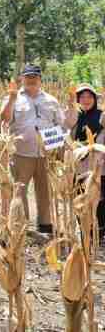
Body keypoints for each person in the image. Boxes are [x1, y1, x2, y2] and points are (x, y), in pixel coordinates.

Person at [0, 64, 65, 234]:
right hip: (21, 152)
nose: (31, 80)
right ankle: (22, 223)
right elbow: (4, 120)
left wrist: (59, 149)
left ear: (40, 79)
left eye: (34, 77)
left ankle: (45, 223)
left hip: (46, 153)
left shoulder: (51, 100)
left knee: (45, 189)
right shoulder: (13, 98)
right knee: (19, 188)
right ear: (22, 79)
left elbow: (61, 124)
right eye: (27, 77)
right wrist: (12, 100)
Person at [63, 83, 105, 241]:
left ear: (94, 99)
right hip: (78, 165)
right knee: (79, 197)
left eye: (89, 96)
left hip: (99, 164)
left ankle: (99, 233)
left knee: (98, 199)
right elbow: (65, 127)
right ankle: (84, 230)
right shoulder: (76, 116)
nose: (86, 100)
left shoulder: (101, 115)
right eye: (82, 97)